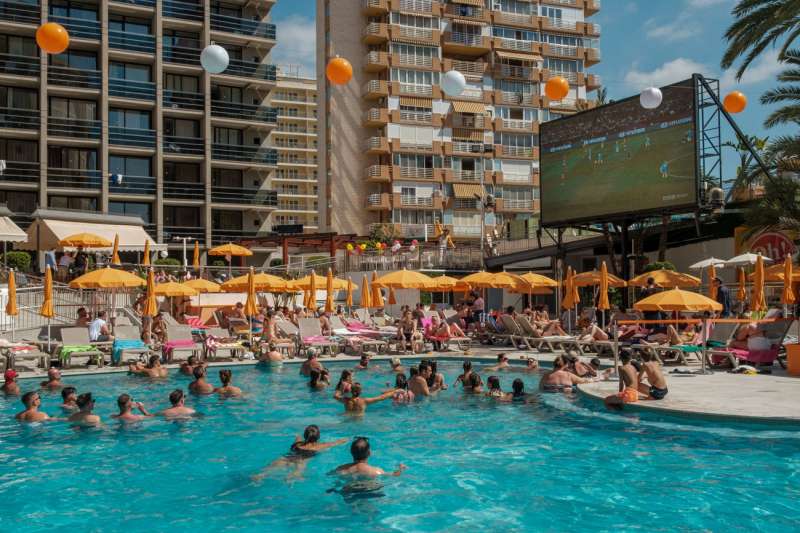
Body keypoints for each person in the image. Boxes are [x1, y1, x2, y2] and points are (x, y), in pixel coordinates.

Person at [253, 425, 348, 482]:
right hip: (301, 460)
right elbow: (337, 442)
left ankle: (260, 475)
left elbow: (297, 436)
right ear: (318, 437)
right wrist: (344, 439)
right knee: (297, 473)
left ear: (305, 435)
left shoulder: (297, 443)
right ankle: (289, 479)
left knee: (268, 469)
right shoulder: (320, 446)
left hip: (287, 457)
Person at [331, 437, 406, 478]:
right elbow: (394, 475)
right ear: (369, 453)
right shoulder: (376, 471)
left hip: (348, 491)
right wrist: (401, 469)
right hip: (369, 492)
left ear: (351, 452)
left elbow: (330, 475)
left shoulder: (341, 469)